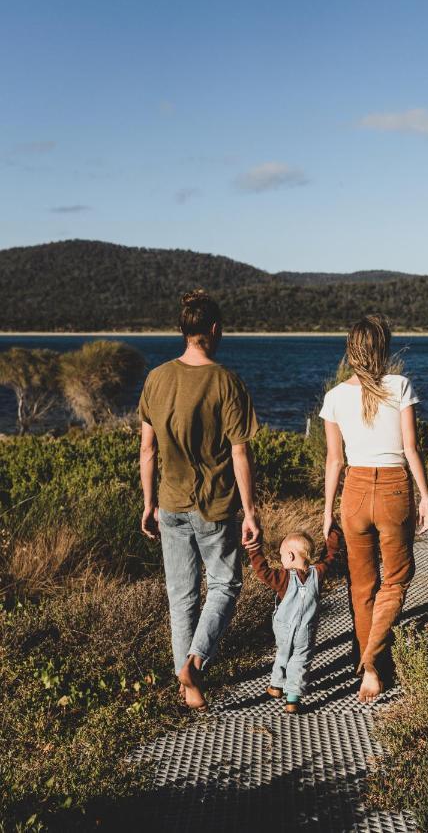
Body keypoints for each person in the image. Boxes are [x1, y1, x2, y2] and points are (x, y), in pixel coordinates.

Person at [139, 289, 260, 710]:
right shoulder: (226, 381)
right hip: (215, 506)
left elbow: (147, 450)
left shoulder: (155, 378)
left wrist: (148, 503)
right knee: (226, 584)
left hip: (169, 504)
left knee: (182, 596)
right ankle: (194, 662)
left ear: (184, 330)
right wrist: (252, 511)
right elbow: (240, 452)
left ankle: (185, 683)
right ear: (213, 329)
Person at [319, 315, 428, 703]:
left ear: (351, 351)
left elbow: (334, 460)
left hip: (353, 492)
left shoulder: (334, 397)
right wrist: (426, 496)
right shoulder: (399, 386)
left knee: (362, 584)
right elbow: (411, 449)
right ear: (382, 349)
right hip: (393, 490)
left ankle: (371, 663)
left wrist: (326, 510)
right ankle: (371, 663)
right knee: (397, 579)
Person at [245, 527, 342, 713]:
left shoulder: (283, 578)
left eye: (282, 556)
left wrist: (254, 549)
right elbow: (330, 556)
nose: (281, 560)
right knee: (300, 661)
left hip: (283, 628)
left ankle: (275, 686)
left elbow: (262, 571)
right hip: (306, 631)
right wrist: (333, 533)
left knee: (283, 653)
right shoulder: (318, 573)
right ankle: (292, 699)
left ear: (289, 557)